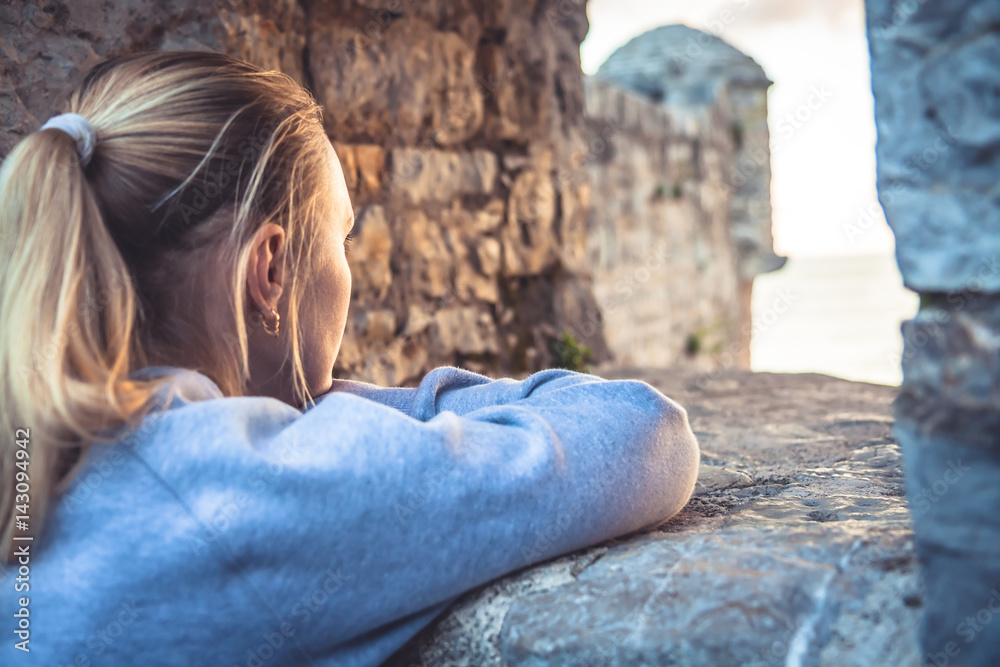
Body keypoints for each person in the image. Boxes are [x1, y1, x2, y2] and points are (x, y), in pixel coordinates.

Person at [0, 51, 700, 665]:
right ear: (270, 270)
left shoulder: (38, 440)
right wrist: (352, 408)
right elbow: (647, 434)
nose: (348, 273)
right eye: (343, 239)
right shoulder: (255, 490)